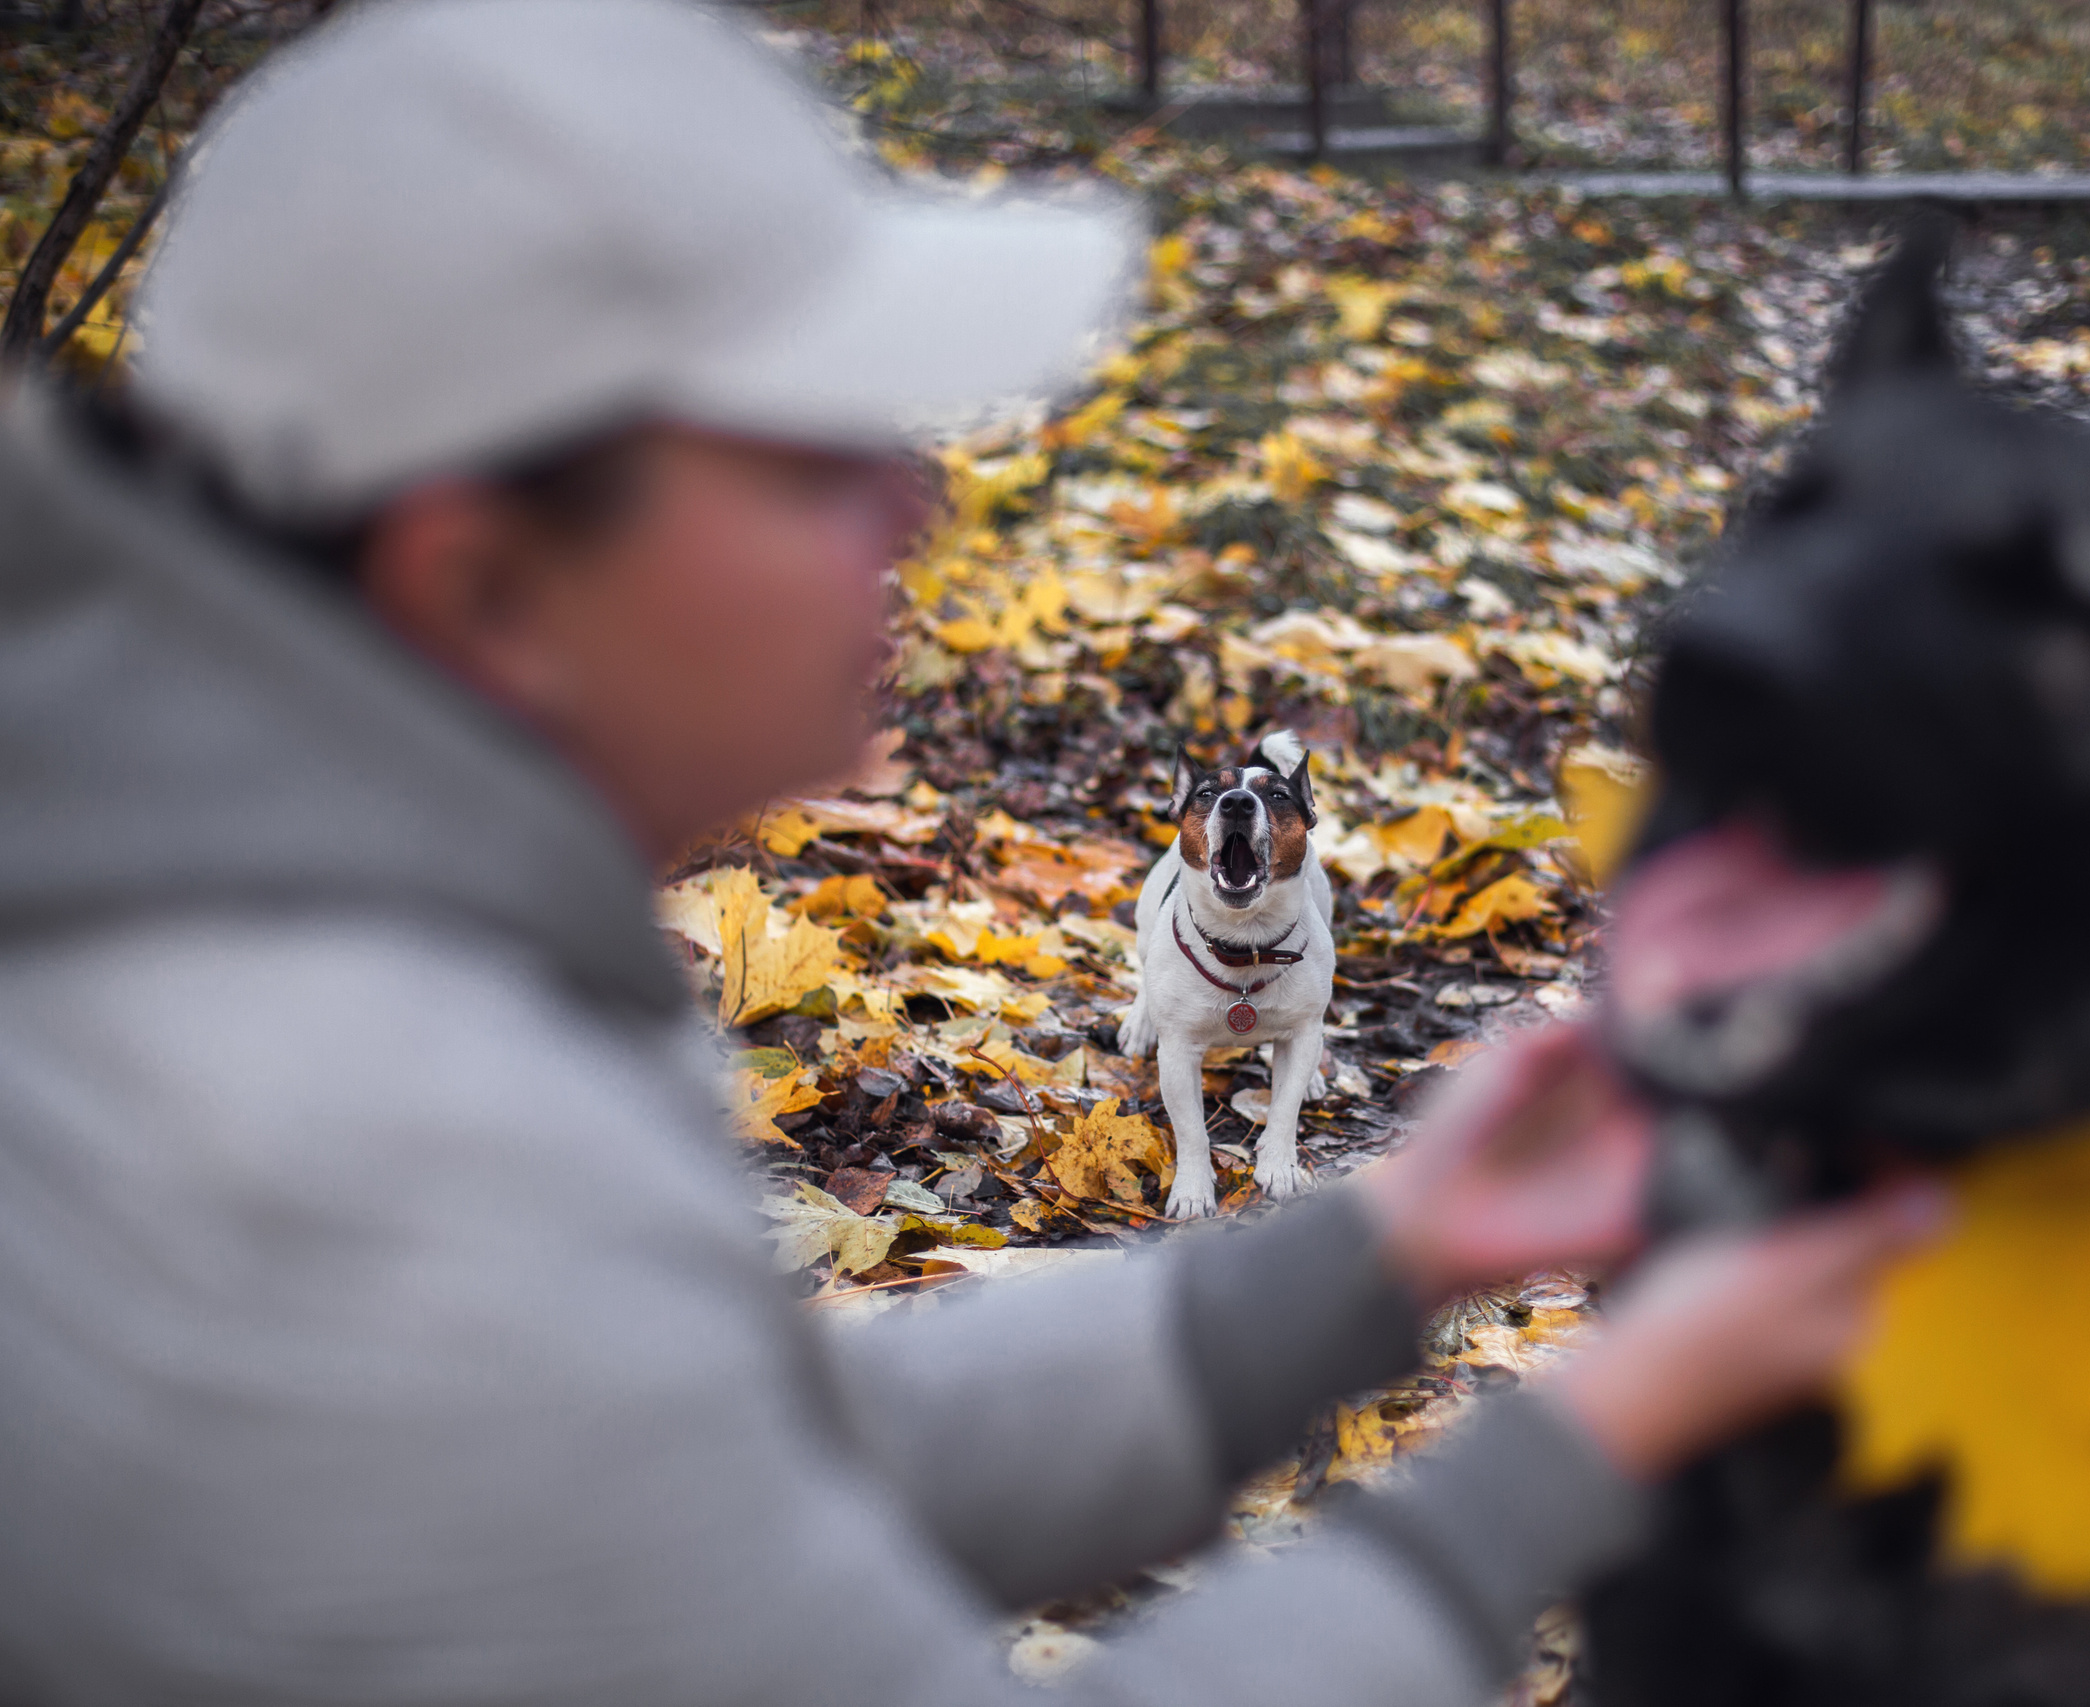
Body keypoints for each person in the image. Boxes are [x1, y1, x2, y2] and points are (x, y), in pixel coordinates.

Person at [0, 4, 1939, 1703]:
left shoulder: (289, 938)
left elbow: (738, 1466)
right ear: (483, 580)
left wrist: (1378, 1247)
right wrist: (1592, 1434)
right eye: (811, 449)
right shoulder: (348, 1155)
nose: (916, 498)